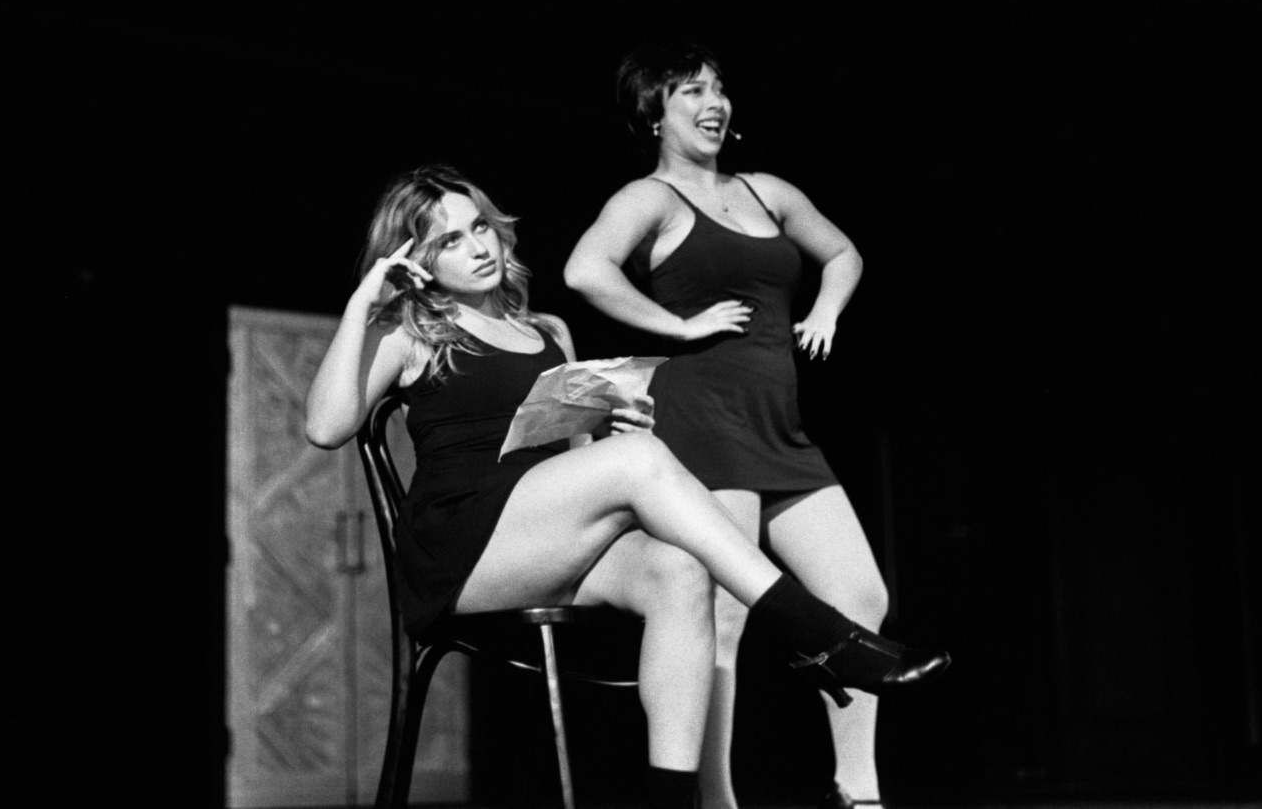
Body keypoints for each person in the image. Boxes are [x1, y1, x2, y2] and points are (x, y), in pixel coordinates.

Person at [307, 165, 949, 809]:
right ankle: (819, 632)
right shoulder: (408, 332)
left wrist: (609, 434)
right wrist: (363, 304)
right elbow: (326, 428)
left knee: (679, 569)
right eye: (450, 241)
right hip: (463, 549)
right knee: (638, 461)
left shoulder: (549, 331)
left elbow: (574, 457)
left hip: (540, 539)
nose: (478, 247)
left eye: (480, 228)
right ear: (417, 260)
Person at [564, 44, 930, 809]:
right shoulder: (649, 199)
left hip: (777, 428)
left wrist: (825, 310)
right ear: (654, 114)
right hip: (702, 420)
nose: (713, 103)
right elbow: (584, 270)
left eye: (718, 89)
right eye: (691, 91)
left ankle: (856, 789)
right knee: (720, 614)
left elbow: (842, 252)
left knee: (859, 597)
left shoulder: (766, 191)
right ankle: (715, 799)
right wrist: (677, 325)